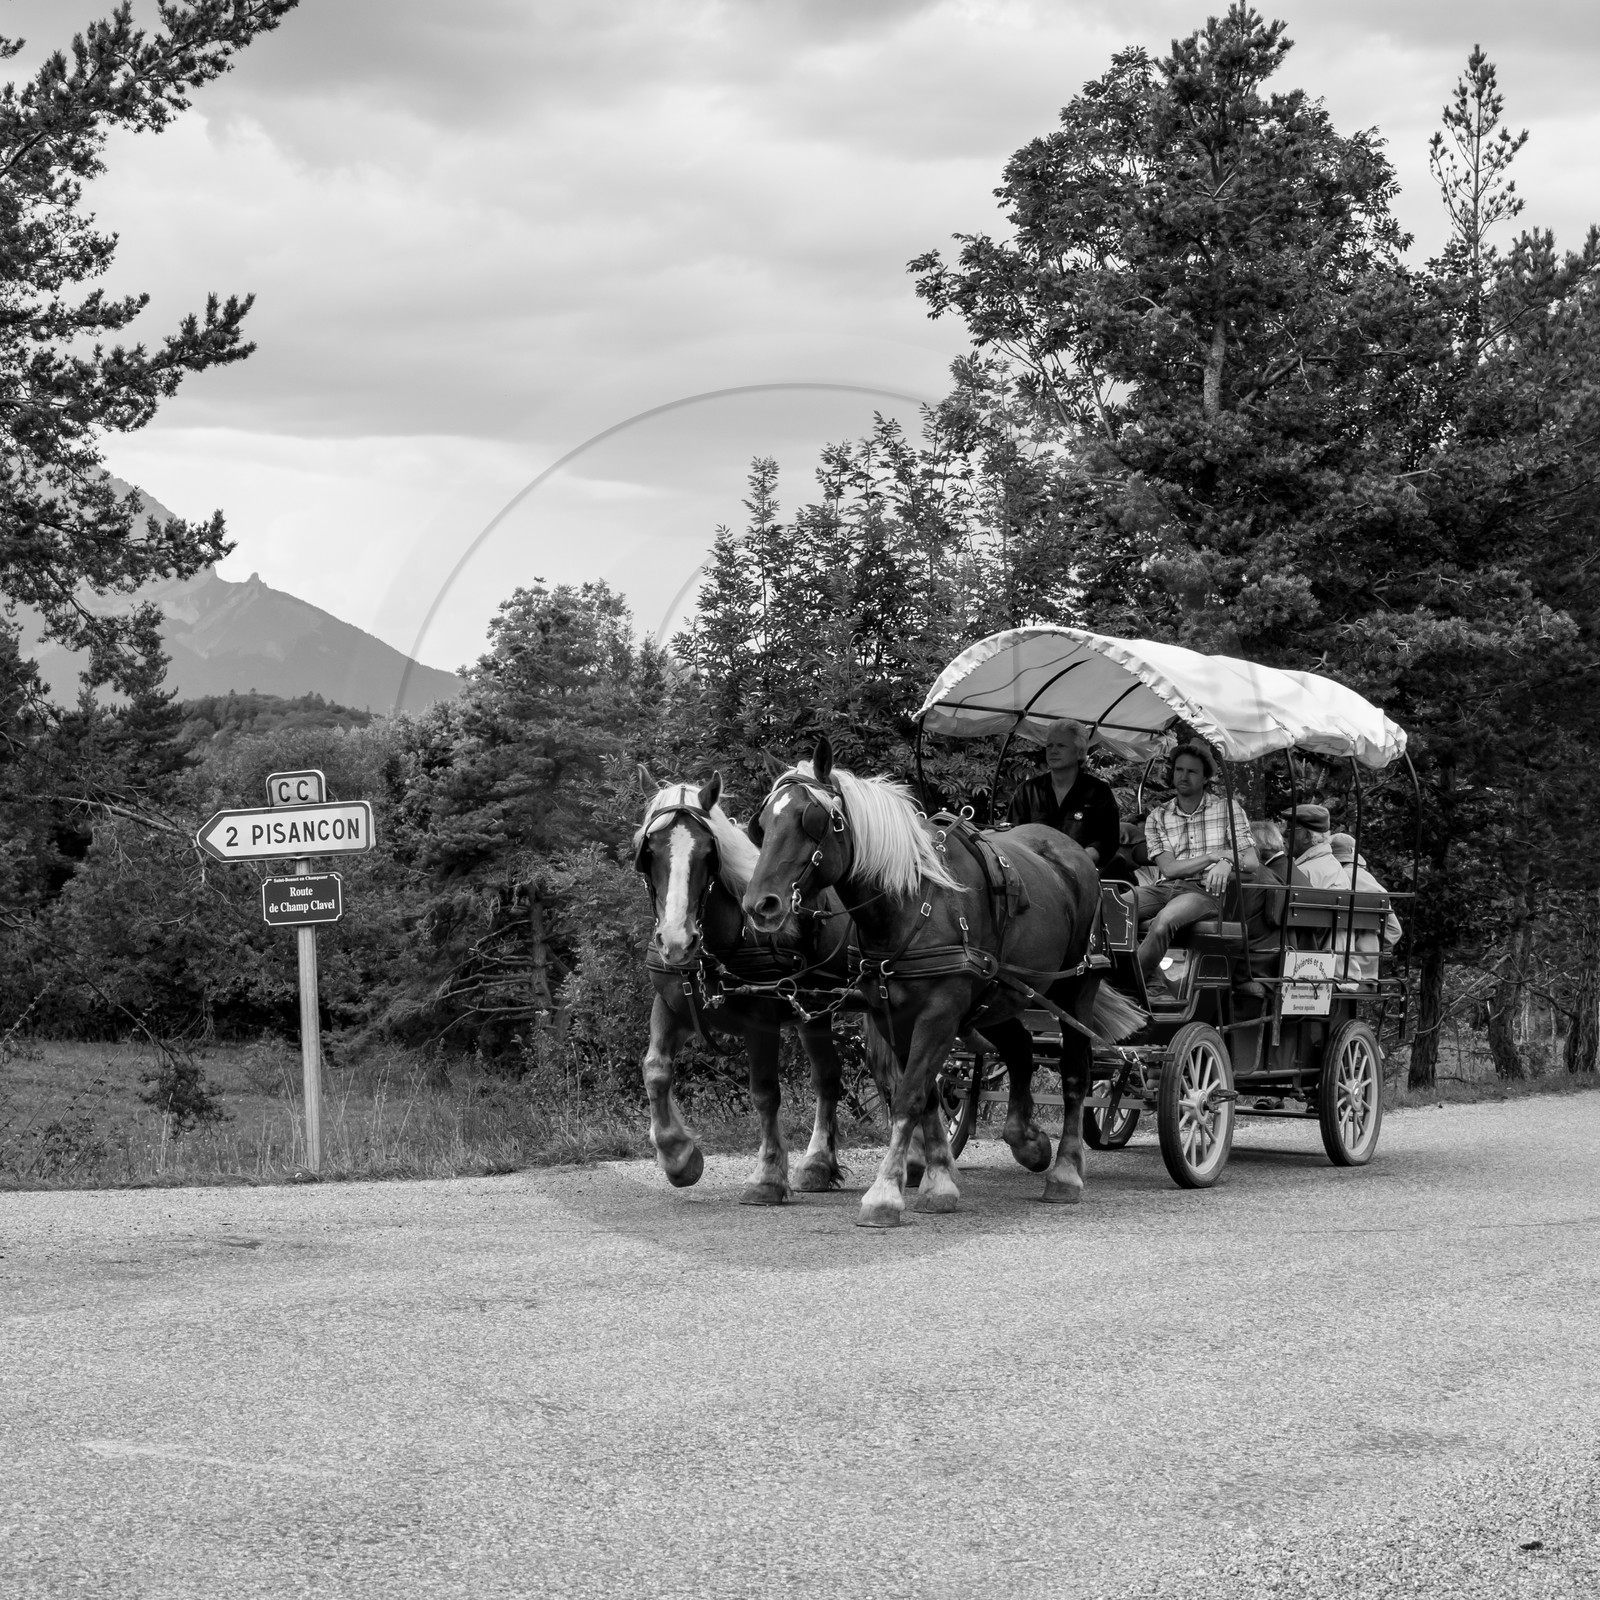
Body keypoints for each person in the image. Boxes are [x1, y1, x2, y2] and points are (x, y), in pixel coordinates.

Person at [1133, 740, 1258, 982]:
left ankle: (1131, 984)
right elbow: (1169, 869)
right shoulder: (1158, 815)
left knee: (1164, 920)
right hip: (1165, 888)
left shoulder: (1227, 809)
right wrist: (1213, 856)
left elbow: (1252, 861)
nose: (1183, 776)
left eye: (1192, 771)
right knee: (1111, 907)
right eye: (1179, 769)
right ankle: (1115, 977)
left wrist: (1227, 863)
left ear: (1205, 778)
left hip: (1204, 893)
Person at [1007, 719, 1121, 867]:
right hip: (1035, 871)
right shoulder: (1027, 791)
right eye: (1049, 745)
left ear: (1079, 752)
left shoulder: (1098, 791)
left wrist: (1081, 860)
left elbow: (1108, 840)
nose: (1053, 751)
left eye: (1061, 745)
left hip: (1082, 871)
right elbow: (1012, 835)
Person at [1330, 832, 1404, 977]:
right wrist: (1372, 950)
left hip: (1336, 968)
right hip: (1368, 971)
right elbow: (1395, 931)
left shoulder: (1334, 878)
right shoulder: (1372, 883)